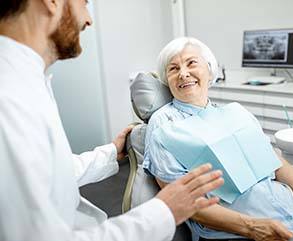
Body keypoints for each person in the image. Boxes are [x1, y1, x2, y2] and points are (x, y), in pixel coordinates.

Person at [0, 1, 224, 241]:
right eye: (84, 3)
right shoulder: (10, 98)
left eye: (192, 63)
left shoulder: (26, 81)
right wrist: (163, 211)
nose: (89, 19)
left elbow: (49, 175)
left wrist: (109, 153)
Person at [143, 37, 293, 241]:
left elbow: (274, 162)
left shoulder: (235, 113)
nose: (184, 73)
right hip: (243, 231)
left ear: (210, 69)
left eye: (191, 63)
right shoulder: (164, 124)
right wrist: (252, 227)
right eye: (173, 69)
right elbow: (180, 200)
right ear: (166, 80)